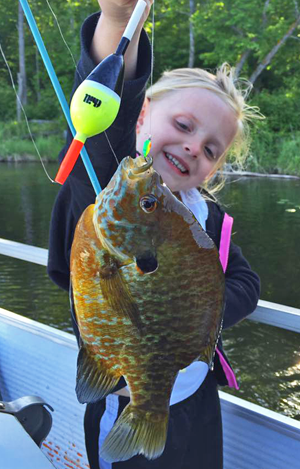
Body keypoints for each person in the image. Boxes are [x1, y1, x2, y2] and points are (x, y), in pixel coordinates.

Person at [47, 1, 261, 468]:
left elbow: (247, 283)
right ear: (143, 115)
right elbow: (105, 116)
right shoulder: (108, 183)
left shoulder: (208, 220)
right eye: (183, 125)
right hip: (124, 393)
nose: (191, 146)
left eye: (210, 148)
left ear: (216, 166)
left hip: (197, 400)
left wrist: (201, 310)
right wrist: (120, 22)